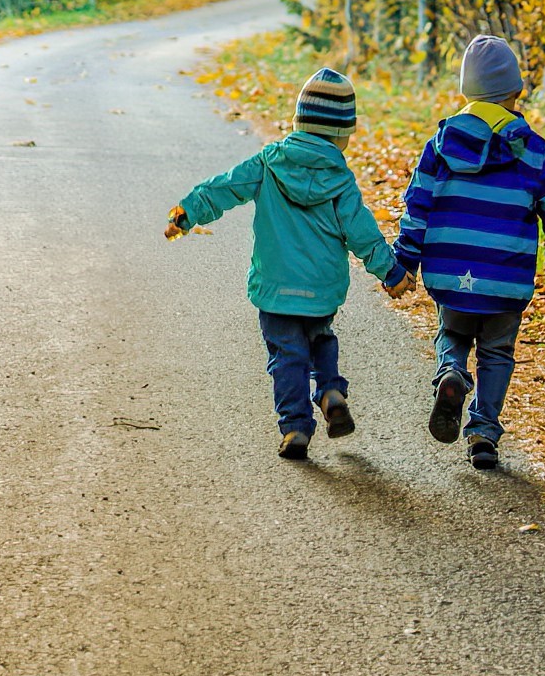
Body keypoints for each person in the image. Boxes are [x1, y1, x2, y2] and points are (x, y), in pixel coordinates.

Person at [165, 68, 414, 459]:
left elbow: (224, 187)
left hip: (276, 286)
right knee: (320, 337)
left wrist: (188, 211)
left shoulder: (268, 163)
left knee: (286, 356)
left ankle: (295, 428)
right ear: (342, 135)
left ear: (297, 122)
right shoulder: (341, 180)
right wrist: (393, 272)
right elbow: (362, 232)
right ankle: (330, 389)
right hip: (321, 287)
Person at [392, 35, 545, 469]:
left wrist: (404, 260)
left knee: (454, 333)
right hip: (504, 280)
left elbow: (417, 206)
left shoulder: (440, 147)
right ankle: (483, 432)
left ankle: (451, 373)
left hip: (451, 276)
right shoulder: (537, 153)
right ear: (516, 92)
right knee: (497, 352)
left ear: (466, 92)